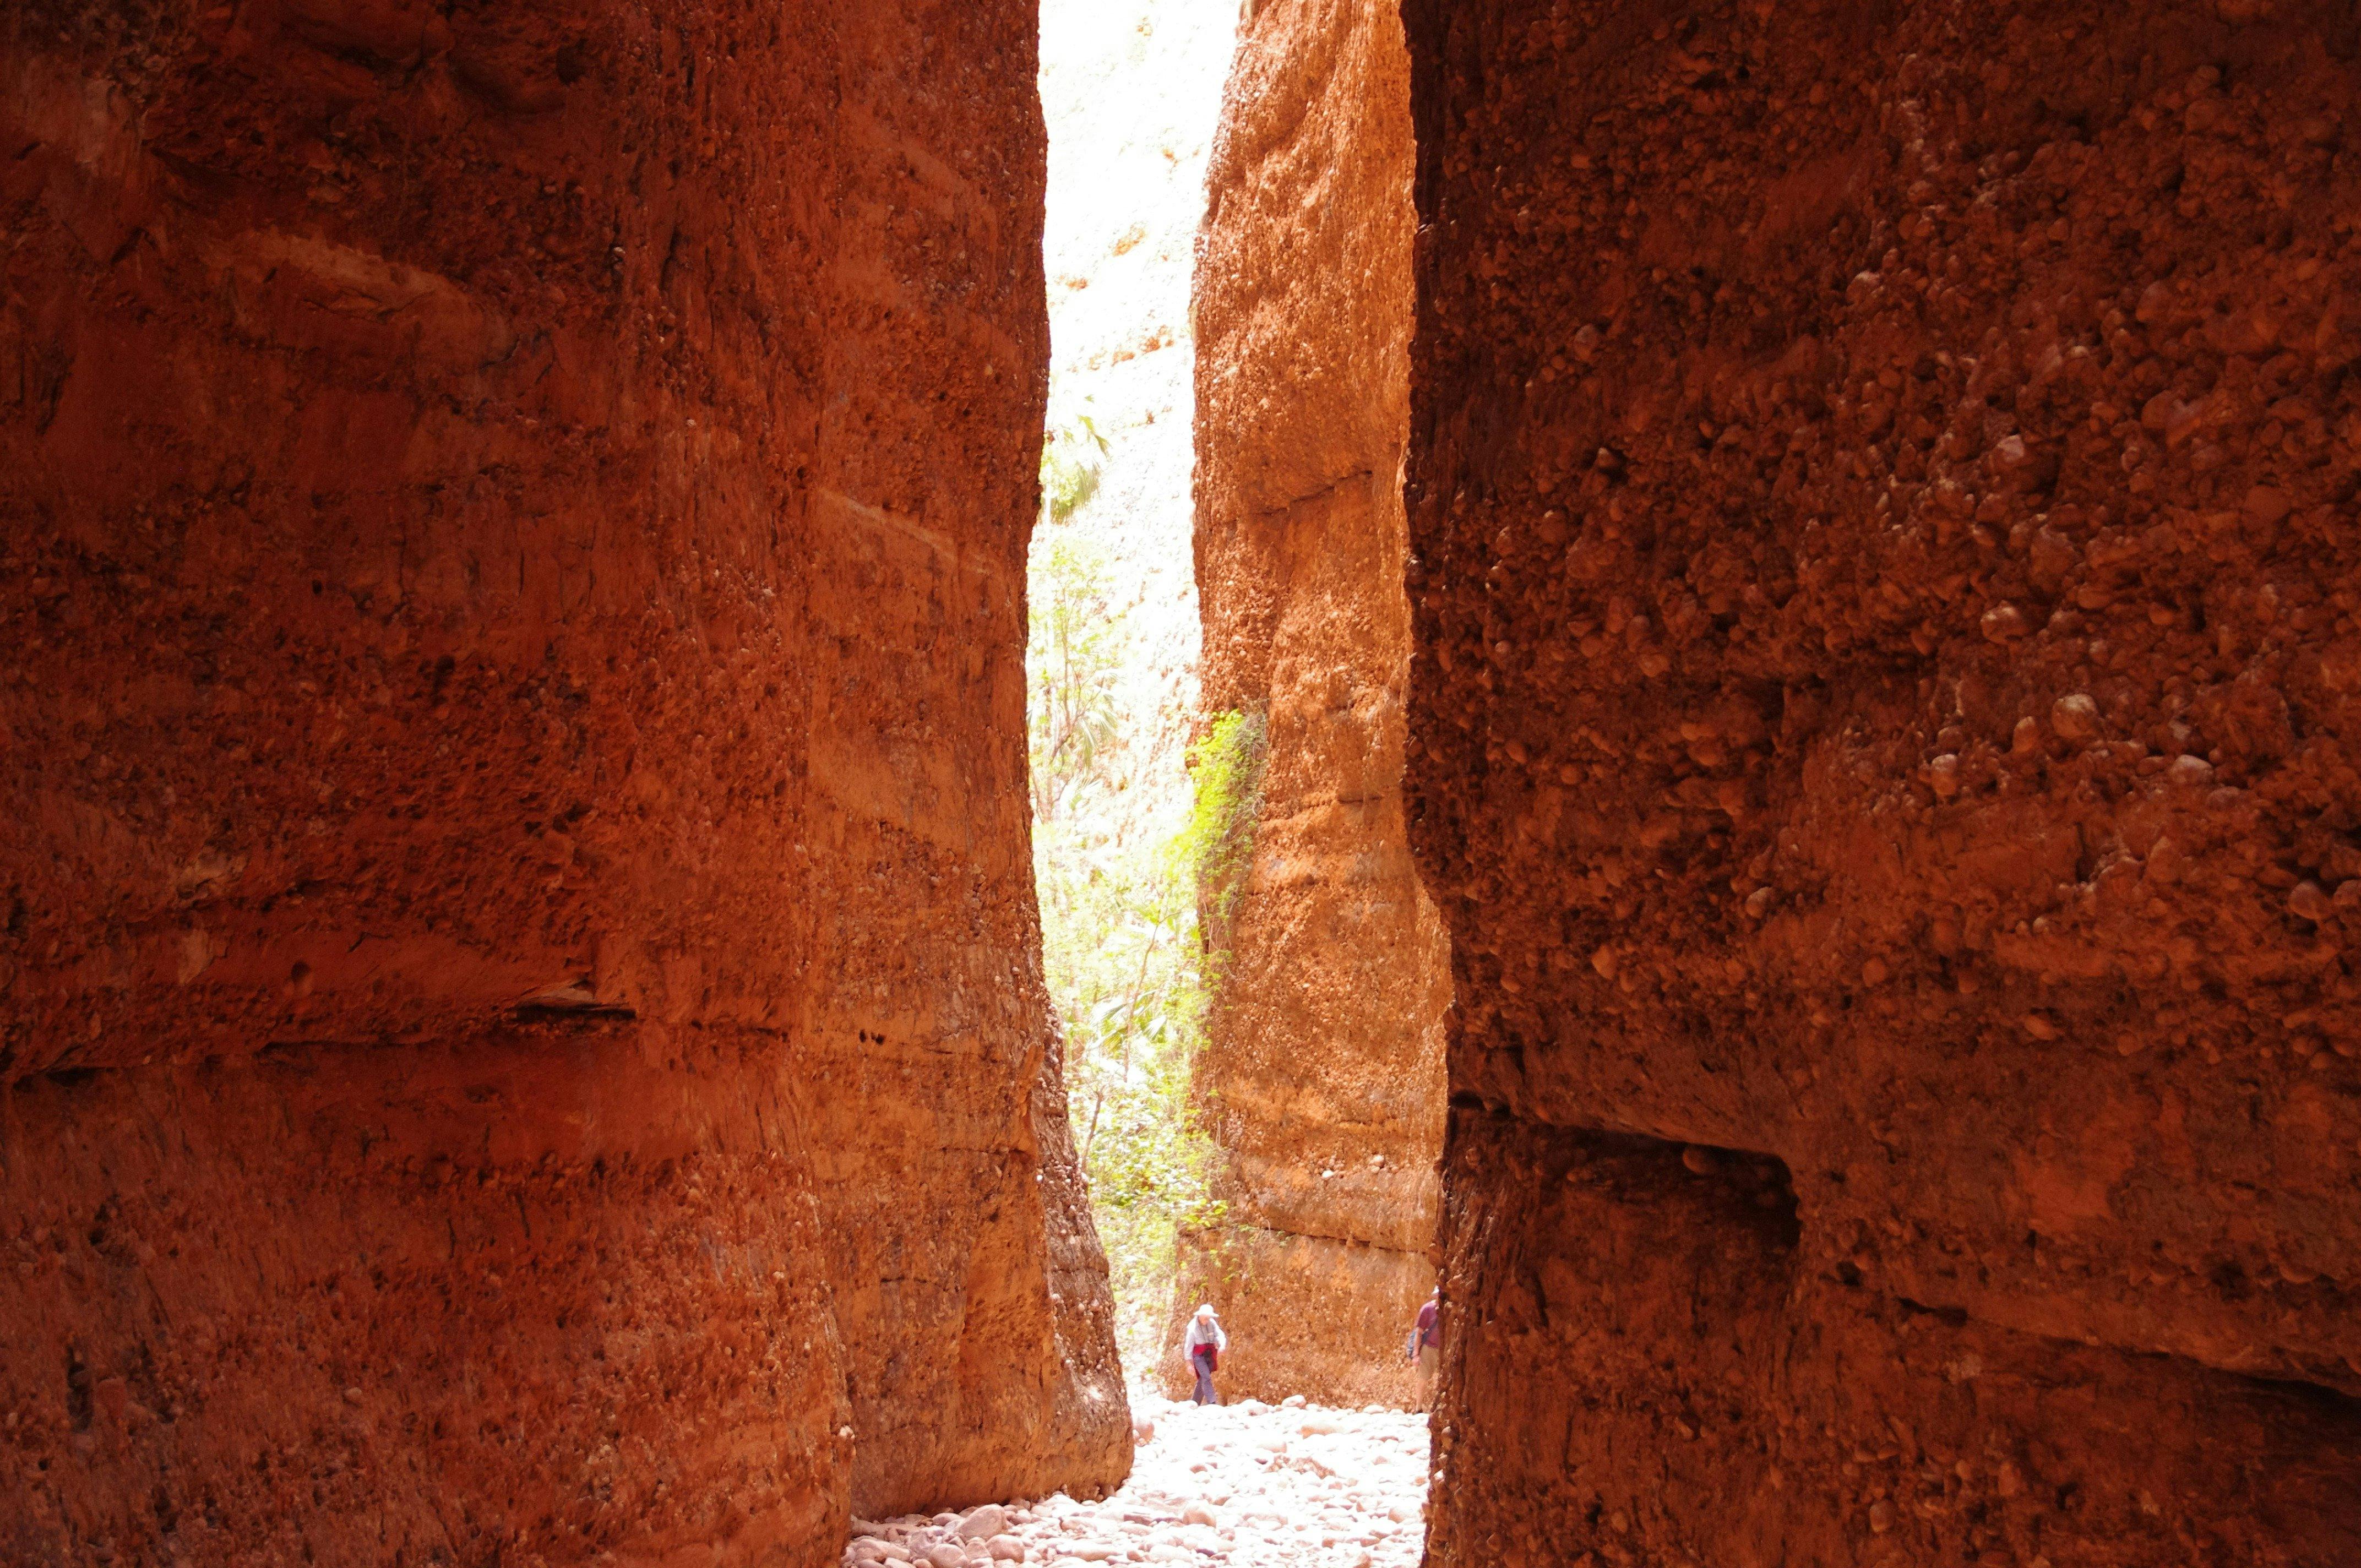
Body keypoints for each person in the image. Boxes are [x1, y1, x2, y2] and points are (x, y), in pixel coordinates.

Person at [1182, 1303, 1227, 1405]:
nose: (1207, 1320)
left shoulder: (1212, 1323)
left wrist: (1222, 1345)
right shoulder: (1192, 1328)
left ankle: (1195, 1402)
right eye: (1205, 1318)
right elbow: (1188, 1346)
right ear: (1200, 1316)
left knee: (1203, 1378)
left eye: (1209, 1318)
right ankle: (1212, 1402)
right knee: (1206, 1377)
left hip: (1210, 1354)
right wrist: (1189, 1364)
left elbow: (1219, 1334)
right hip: (1199, 1356)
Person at [1406, 1287, 1442, 1407]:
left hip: (1443, 1349)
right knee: (1423, 1378)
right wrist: (1416, 1355)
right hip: (1429, 1348)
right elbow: (1419, 1333)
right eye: (1438, 1295)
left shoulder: (1448, 1310)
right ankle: (1418, 1407)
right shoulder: (1427, 1309)